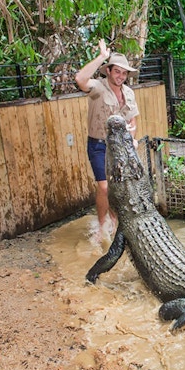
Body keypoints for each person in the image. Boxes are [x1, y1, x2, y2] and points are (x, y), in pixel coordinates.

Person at [74, 39, 139, 239]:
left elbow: (133, 122)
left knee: (117, 187)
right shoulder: (98, 88)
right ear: (108, 71)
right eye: (117, 71)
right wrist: (102, 57)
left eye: (124, 72)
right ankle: (102, 226)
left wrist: (132, 140)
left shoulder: (128, 92)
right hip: (99, 145)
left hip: (120, 147)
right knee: (104, 186)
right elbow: (80, 79)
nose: (120, 76)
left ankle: (114, 221)